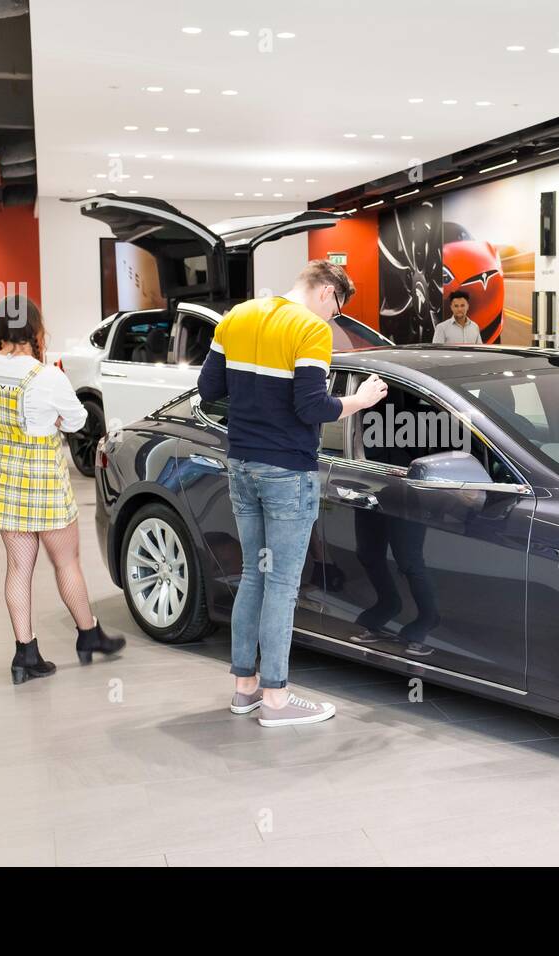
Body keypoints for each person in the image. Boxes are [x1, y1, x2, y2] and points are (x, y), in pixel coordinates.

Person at [199, 260, 388, 727]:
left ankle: (245, 690)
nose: (334, 318)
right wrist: (359, 401)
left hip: (241, 464)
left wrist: (253, 412)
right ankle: (277, 699)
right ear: (327, 292)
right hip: (286, 471)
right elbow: (312, 407)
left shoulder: (237, 316)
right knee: (282, 585)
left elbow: (208, 390)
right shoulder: (310, 329)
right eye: (338, 307)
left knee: (253, 576)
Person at [0, 296, 125, 685]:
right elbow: (77, 422)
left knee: (18, 568)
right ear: (36, 330)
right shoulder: (47, 377)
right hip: (42, 482)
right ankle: (88, 634)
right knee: (66, 561)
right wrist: (54, 418)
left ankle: (25, 654)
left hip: (4, 479)